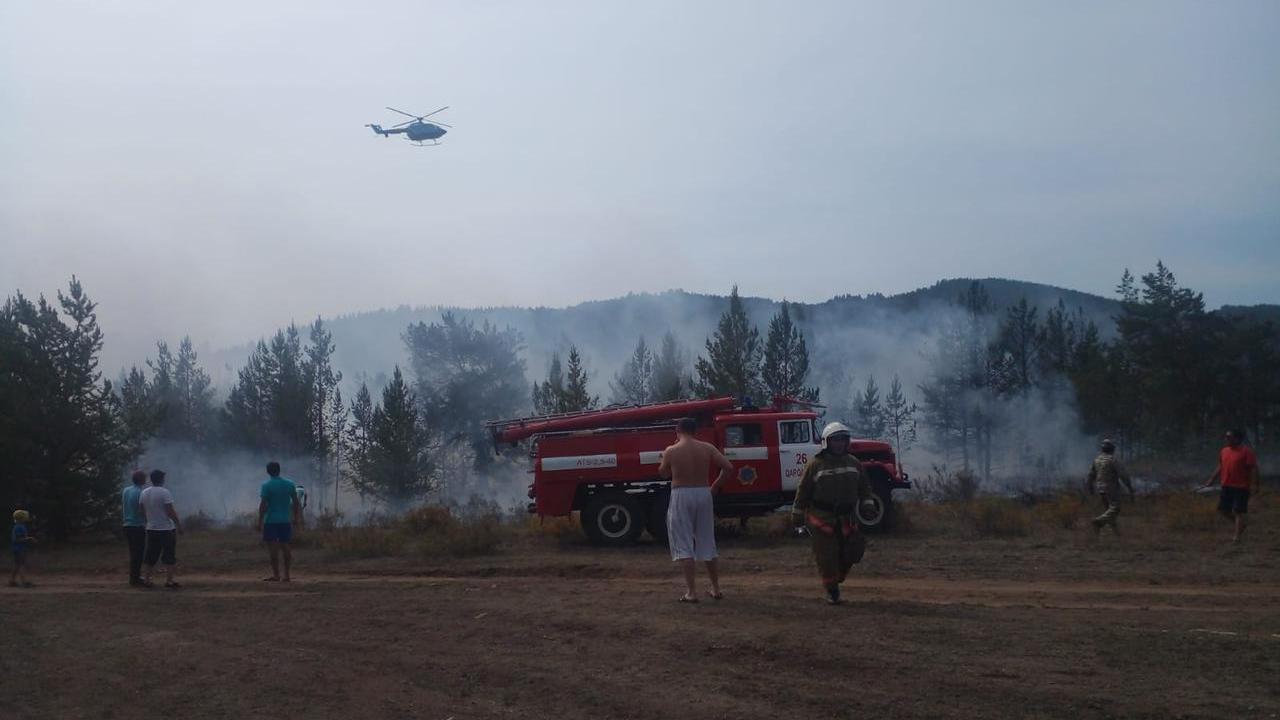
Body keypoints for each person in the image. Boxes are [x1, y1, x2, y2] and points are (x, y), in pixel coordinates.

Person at [792, 422, 874, 605]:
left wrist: (868, 506)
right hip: (822, 519)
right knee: (827, 557)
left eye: (842, 440)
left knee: (852, 553)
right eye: (835, 440)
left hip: (847, 518)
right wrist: (797, 517)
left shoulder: (854, 463)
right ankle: (832, 591)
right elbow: (803, 491)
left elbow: (865, 488)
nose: (839, 444)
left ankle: (836, 579)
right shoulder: (815, 465)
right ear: (826, 442)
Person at [658, 417, 734, 603]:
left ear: (678, 430)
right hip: (703, 493)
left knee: (684, 542)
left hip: (681, 494)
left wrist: (666, 457)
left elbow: (663, 473)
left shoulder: (672, 450)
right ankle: (716, 589)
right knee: (707, 540)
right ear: (696, 431)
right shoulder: (707, 448)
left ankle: (691, 592)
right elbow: (728, 468)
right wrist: (715, 486)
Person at [1201, 428, 1261, 543]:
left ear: (1238, 439)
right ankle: (1241, 525)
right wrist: (1211, 479)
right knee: (1223, 510)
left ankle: (1237, 537)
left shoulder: (1247, 452)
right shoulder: (1224, 451)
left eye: (1229, 437)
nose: (1226, 439)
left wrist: (1255, 485)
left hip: (1241, 486)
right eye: (1226, 437)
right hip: (1226, 485)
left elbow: (1253, 469)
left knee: (1238, 511)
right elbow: (1220, 466)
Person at [257, 461, 302, 582]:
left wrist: (260, 521)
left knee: (273, 549)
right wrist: (296, 518)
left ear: (268, 471)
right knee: (285, 546)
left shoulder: (266, 486)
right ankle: (287, 575)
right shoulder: (290, 484)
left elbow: (263, 505)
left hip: (271, 521)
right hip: (285, 520)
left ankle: (276, 575)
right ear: (279, 470)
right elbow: (296, 503)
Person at [139, 469, 183, 589]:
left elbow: (142, 509)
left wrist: (148, 520)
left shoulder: (144, 492)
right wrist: (178, 524)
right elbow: (170, 511)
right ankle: (169, 581)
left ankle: (147, 580)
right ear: (161, 479)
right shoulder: (165, 492)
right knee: (169, 555)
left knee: (150, 555)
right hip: (166, 529)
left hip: (151, 528)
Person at [1085, 439, 1134, 535]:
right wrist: (1129, 487)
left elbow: (1091, 475)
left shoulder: (1097, 460)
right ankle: (1098, 522)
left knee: (1108, 510)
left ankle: (1116, 533)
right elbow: (1123, 475)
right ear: (1112, 449)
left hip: (1100, 488)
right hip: (1111, 487)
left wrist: (1090, 486)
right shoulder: (1113, 460)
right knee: (1115, 508)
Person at [122, 470, 148, 587]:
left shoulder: (126, 490)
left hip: (127, 525)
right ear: (141, 480)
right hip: (137, 525)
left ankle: (135, 576)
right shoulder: (140, 492)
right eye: (144, 478)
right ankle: (135, 579)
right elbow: (141, 510)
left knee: (133, 552)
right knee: (138, 553)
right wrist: (148, 520)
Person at [9, 509, 36, 588]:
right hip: (19, 549)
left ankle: (12, 581)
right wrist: (29, 539)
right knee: (21, 565)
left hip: (18, 548)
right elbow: (17, 539)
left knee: (17, 565)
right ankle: (23, 582)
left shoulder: (19, 526)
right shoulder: (19, 527)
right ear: (21, 518)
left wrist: (28, 538)